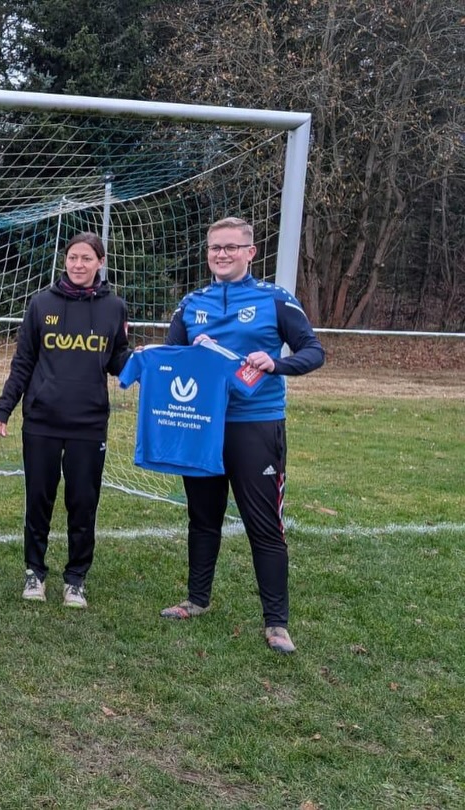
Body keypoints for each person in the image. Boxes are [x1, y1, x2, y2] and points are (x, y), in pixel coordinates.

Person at [158, 217, 325, 654]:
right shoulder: (191, 303)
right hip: (202, 426)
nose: (222, 254)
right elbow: (174, 358)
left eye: (231, 247)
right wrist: (155, 359)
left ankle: (276, 623)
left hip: (256, 425)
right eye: (215, 247)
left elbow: (313, 351)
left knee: (264, 524)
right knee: (203, 517)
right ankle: (197, 600)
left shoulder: (274, 299)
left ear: (250, 252)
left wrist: (276, 364)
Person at [0, 232, 130, 608]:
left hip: (89, 423)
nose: (78, 264)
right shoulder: (41, 304)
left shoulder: (114, 307)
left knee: (83, 503)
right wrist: (4, 407)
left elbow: (117, 358)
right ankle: (34, 573)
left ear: (100, 262)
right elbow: (23, 361)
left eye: (86, 258)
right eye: (72, 257)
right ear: (64, 260)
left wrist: (141, 363)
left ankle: (75, 579)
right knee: (39, 500)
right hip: (42, 420)